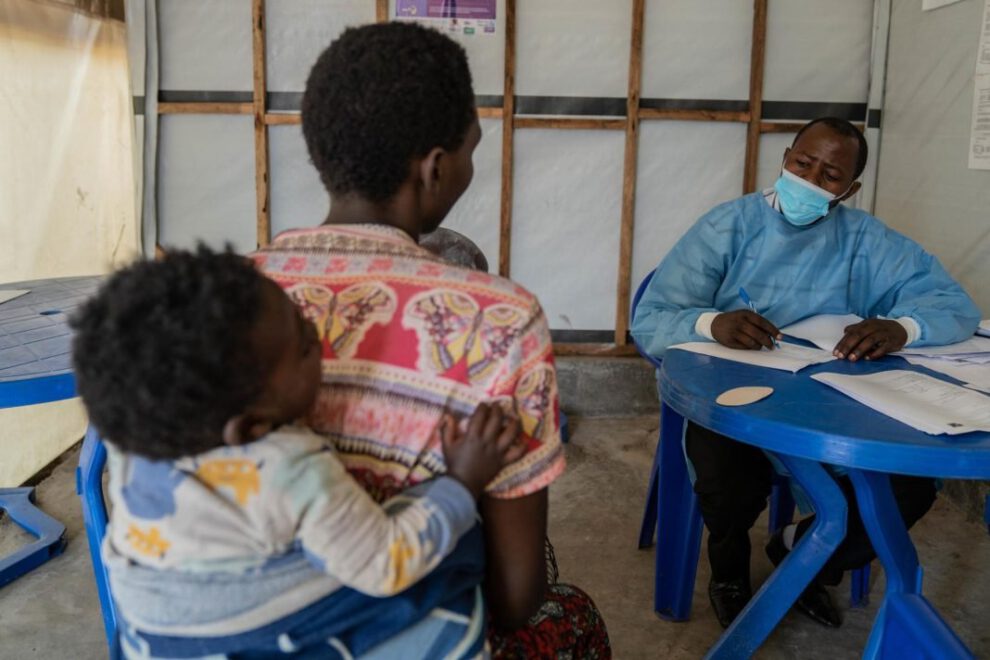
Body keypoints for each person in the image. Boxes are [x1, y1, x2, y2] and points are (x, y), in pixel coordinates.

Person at [252, 22, 610, 658]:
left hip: (250, 635)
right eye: (472, 148)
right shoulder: (501, 319)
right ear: (436, 168)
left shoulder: (228, 295)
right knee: (571, 614)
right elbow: (514, 600)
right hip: (418, 634)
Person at [71, 247, 527, 658]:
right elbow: (385, 563)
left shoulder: (134, 435)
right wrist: (461, 481)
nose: (317, 332)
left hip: (151, 634)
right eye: (306, 345)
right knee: (455, 545)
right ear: (253, 426)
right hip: (242, 638)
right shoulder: (290, 470)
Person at [631, 117, 981, 630]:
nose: (810, 180)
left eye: (830, 175)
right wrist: (712, 321)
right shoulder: (727, 227)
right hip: (732, 389)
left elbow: (954, 305)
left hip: (827, 397)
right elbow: (651, 318)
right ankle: (727, 570)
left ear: (851, 189)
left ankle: (802, 552)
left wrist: (902, 327)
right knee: (725, 473)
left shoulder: (865, 240)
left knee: (910, 484)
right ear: (786, 157)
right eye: (802, 163)